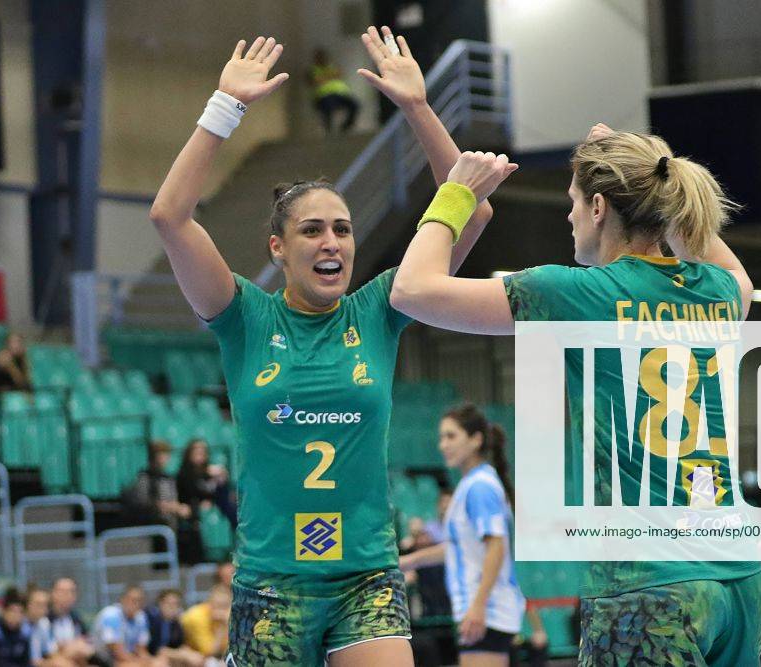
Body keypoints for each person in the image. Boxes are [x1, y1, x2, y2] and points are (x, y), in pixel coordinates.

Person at [149, 25, 493, 666]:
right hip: (271, 583)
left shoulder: (384, 307)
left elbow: (469, 211)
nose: (332, 241)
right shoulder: (241, 316)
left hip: (366, 576)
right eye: (312, 230)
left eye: (342, 228)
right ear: (277, 249)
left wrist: (418, 107)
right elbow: (170, 215)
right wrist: (225, 108)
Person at [388, 125, 761, 665]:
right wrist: (650, 166)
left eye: (571, 203)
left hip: (645, 584)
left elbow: (411, 290)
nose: (567, 217)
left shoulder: (580, 292)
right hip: (736, 580)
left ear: (596, 207)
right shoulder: (718, 292)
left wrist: (456, 192)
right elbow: (733, 270)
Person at [400, 405, 524, 666]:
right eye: (441, 437)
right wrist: (409, 561)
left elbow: (496, 547)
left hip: (486, 611)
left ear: (476, 439)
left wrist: (478, 606)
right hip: (480, 609)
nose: (443, 444)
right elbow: (459, 547)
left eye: (451, 436)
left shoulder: (480, 487)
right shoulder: (470, 485)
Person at [125, 441, 197, 561]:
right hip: (153, 529)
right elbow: (142, 503)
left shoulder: (169, 478)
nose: (162, 459)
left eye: (165, 455)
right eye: (159, 455)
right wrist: (169, 507)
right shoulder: (144, 479)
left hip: (172, 527)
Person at [176, 439, 235, 538]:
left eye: (203, 451)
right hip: (191, 511)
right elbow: (186, 496)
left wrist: (222, 476)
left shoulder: (210, 472)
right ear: (189, 454)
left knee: (229, 502)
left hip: (214, 507)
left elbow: (219, 493)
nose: (200, 454)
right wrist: (199, 505)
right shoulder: (183, 474)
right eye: (197, 452)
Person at [91, 586, 157, 667]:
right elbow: (118, 653)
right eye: (132, 599)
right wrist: (141, 663)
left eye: (139, 600)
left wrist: (149, 661)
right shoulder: (111, 615)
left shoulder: (141, 617)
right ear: (122, 600)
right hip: (103, 659)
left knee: (159, 664)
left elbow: (141, 649)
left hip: (128, 657)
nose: (135, 603)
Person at [146, 590, 202, 667]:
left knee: (196, 659)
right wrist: (181, 655)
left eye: (176, 604)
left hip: (169, 655)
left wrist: (189, 653)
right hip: (151, 656)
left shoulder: (175, 623)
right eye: (169, 603)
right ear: (161, 603)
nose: (172, 607)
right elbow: (157, 650)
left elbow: (179, 644)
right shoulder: (151, 619)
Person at [310, 48, 358, 134]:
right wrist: (331, 75)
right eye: (320, 57)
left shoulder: (332, 66)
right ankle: (329, 130)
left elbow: (339, 74)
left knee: (355, 105)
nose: (322, 59)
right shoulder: (314, 70)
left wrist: (326, 76)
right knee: (328, 107)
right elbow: (316, 81)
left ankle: (345, 127)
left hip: (341, 94)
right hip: (325, 96)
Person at [47, 578, 94, 665]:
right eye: (63, 592)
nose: (68, 595)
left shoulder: (76, 618)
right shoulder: (45, 619)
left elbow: (87, 642)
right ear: (53, 594)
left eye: (72, 592)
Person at [179, 586, 230, 661]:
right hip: (183, 651)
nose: (221, 611)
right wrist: (222, 627)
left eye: (225, 606)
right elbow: (209, 652)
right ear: (209, 603)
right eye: (218, 605)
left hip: (207, 655)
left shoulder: (228, 616)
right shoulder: (197, 617)